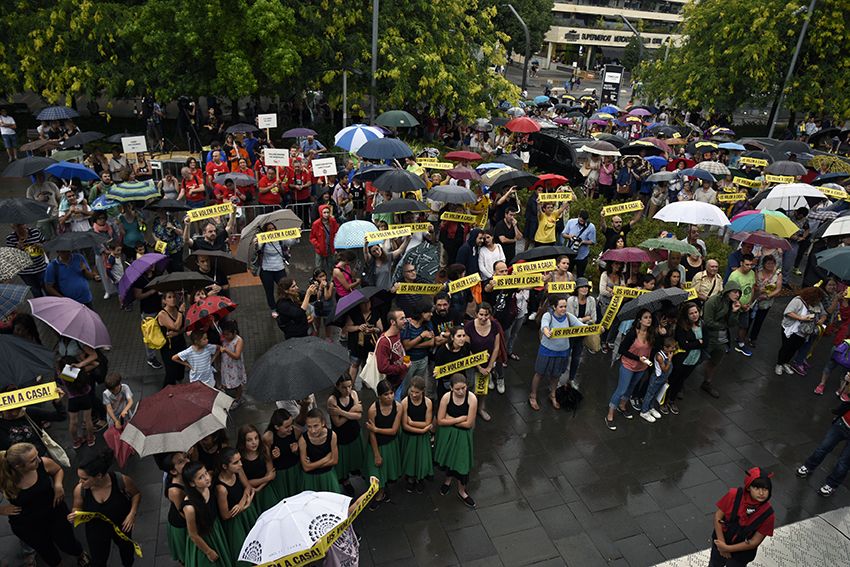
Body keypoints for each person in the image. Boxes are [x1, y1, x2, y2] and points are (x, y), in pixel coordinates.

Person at [0, 443, 90, 567]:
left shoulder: (43, 463)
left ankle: (80, 554)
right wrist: (2, 510)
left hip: (54, 512)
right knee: (45, 550)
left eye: (37, 455)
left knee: (67, 542)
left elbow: (57, 470)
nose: (38, 460)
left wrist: (58, 484)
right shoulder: (4, 478)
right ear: (18, 466)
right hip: (28, 523)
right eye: (32, 460)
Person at [67, 449, 141, 567]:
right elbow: (76, 507)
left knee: (127, 553)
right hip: (96, 531)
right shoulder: (80, 490)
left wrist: (132, 514)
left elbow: (136, 494)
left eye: (84, 479)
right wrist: (75, 514)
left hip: (122, 525)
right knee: (98, 561)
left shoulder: (121, 480)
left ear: (99, 476)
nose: (80, 482)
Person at [709, 467, 775, 566]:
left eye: (765, 489)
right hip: (721, 541)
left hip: (741, 553)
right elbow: (718, 516)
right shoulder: (733, 495)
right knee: (714, 564)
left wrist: (727, 549)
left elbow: (754, 542)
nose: (761, 493)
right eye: (756, 488)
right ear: (748, 487)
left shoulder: (768, 514)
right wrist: (722, 544)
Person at [531, 296, 584, 411]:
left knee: (556, 375)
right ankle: (533, 396)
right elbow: (544, 325)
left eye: (565, 306)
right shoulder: (548, 316)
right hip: (547, 351)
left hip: (562, 352)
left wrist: (596, 329)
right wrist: (546, 331)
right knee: (539, 373)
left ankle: (553, 395)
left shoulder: (569, 317)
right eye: (561, 307)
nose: (564, 309)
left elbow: (581, 326)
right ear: (554, 307)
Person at [605, 309, 655, 430]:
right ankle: (610, 414)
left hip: (641, 367)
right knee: (621, 389)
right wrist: (638, 358)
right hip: (628, 365)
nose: (649, 320)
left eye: (650, 317)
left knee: (631, 388)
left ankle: (622, 406)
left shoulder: (652, 333)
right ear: (639, 320)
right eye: (645, 317)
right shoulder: (633, 333)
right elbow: (622, 350)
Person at [434, 374, 478, 508]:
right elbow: (440, 421)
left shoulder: (472, 398)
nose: (460, 392)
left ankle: (462, 491)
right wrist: (460, 419)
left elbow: (469, 424)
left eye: (463, 388)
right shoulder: (446, 397)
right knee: (449, 459)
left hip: (463, 436)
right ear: (451, 388)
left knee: (462, 463)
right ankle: (447, 481)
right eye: (457, 389)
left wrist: (450, 420)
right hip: (447, 434)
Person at [181, 461, 234, 567]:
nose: (206, 478)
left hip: (216, 530)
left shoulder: (208, 488)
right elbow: (193, 534)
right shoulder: (189, 507)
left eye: (205, 473)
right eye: (200, 477)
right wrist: (208, 552)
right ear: (192, 483)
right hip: (203, 539)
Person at [796, 397, 850, 497]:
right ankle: (809, 466)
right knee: (823, 447)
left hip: (843, 423)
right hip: (843, 423)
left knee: (844, 462)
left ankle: (831, 484)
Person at [215, 448, 258, 565]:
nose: (241, 464)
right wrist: (243, 506)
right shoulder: (221, 489)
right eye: (235, 462)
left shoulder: (238, 470)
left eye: (240, 460)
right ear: (225, 466)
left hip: (247, 511)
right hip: (236, 522)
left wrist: (242, 503)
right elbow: (225, 515)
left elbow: (248, 487)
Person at [701, 280, 742, 397]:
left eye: (739, 293)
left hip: (722, 338)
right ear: (728, 291)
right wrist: (723, 326)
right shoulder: (713, 301)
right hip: (709, 336)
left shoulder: (733, 303)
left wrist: (734, 312)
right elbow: (708, 321)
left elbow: (733, 323)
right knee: (697, 359)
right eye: (735, 292)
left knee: (715, 361)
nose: (737, 295)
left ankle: (707, 382)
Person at [366, 379, 402, 509]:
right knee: (376, 472)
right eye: (386, 394)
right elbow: (371, 434)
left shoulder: (398, 406)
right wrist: (376, 454)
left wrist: (376, 429)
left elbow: (393, 431)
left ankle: (383, 492)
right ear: (379, 396)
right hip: (377, 444)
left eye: (391, 393)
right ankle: (380, 494)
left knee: (387, 471)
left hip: (391, 444)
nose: (390, 396)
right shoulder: (372, 410)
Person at [463, 303, 502, 421]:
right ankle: (469, 410)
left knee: (483, 388)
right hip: (472, 363)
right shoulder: (469, 326)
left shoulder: (495, 325)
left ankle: (481, 408)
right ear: (476, 314)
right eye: (481, 314)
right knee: (470, 386)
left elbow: (496, 347)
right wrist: (479, 367)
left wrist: (490, 366)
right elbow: (467, 349)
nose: (483, 318)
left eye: (486, 315)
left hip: (487, 364)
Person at [665, 302, 704, 415]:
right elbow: (683, 344)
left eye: (696, 312)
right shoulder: (681, 327)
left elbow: (705, 342)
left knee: (681, 381)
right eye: (691, 313)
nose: (694, 315)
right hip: (681, 359)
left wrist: (693, 343)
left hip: (693, 359)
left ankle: (672, 401)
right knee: (672, 379)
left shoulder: (702, 324)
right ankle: (664, 401)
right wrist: (698, 342)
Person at [776, 287, 825, 376]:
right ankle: (779, 364)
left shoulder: (817, 304)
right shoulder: (798, 301)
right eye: (817, 299)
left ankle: (785, 363)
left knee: (794, 348)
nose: (818, 301)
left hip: (803, 332)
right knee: (786, 347)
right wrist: (801, 318)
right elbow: (788, 312)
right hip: (791, 328)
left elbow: (823, 314)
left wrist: (822, 319)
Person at [400, 376, 433, 494]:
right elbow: (404, 425)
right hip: (409, 436)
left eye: (417, 392)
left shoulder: (428, 402)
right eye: (412, 391)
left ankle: (419, 478)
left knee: (421, 458)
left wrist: (412, 422)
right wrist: (423, 430)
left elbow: (428, 422)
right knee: (410, 458)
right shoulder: (405, 402)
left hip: (419, 436)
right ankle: (410, 478)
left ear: (423, 391)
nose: (413, 395)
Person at [262, 409, 304, 500]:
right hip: (280, 474)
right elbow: (266, 460)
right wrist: (273, 456)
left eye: (291, 424)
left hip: (295, 471)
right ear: (277, 427)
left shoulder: (297, 432)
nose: (291, 428)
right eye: (287, 427)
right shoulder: (268, 437)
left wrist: (297, 451)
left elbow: (303, 454)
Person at [298, 408, 341, 493]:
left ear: (323, 423)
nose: (312, 431)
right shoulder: (303, 439)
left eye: (316, 426)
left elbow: (334, 461)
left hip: (327, 475)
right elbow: (306, 468)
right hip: (310, 478)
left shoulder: (332, 435)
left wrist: (312, 465)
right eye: (309, 427)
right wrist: (326, 459)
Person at [236, 425, 276, 513]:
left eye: (256, 438)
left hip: (266, 488)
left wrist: (259, 488)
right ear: (243, 442)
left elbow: (271, 472)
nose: (254, 442)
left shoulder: (263, 449)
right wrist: (266, 478)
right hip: (251, 493)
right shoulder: (240, 457)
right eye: (249, 440)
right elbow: (247, 482)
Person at [158, 452, 189, 565]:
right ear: (173, 471)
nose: (187, 461)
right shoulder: (175, 491)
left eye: (186, 458)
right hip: (181, 524)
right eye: (181, 462)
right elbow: (183, 513)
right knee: (187, 555)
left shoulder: (186, 476)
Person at [565, 278, 596, 389]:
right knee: (564, 356)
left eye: (586, 287)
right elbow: (570, 319)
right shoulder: (571, 300)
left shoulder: (592, 300)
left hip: (582, 335)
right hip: (570, 334)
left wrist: (581, 320)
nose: (585, 289)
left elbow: (594, 318)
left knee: (576, 358)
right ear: (577, 289)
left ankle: (571, 379)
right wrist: (585, 319)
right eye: (582, 286)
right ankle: (558, 377)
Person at [748, 255, 782, 347]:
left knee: (759, 320)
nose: (770, 265)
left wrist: (767, 296)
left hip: (766, 301)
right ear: (764, 264)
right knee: (749, 318)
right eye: (768, 263)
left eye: (772, 263)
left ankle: (753, 338)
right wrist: (759, 288)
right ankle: (743, 334)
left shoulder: (777, 274)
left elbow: (778, 289)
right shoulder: (758, 272)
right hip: (755, 298)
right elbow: (754, 284)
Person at [640, 337, 676, 423]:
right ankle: (644, 411)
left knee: (656, 394)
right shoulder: (660, 356)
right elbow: (665, 369)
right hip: (657, 379)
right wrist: (670, 360)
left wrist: (666, 378)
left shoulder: (668, 354)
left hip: (663, 379)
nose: (674, 349)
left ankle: (651, 408)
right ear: (665, 347)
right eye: (672, 347)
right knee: (650, 394)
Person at [6, 224, 48, 297]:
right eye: (18, 226)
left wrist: (41, 246)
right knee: (36, 292)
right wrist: (18, 248)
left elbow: (45, 243)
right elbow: (11, 257)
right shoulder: (10, 238)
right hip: (26, 272)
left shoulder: (35, 232)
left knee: (48, 288)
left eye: (23, 224)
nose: (22, 227)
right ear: (13, 227)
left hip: (41, 267)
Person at [727, 253, 757, 357]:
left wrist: (750, 301)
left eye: (751, 265)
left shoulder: (752, 273)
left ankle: (741, 343)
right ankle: (725, 343)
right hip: (735, 305)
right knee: (728, 324)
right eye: (747, 264)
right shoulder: (734, 276)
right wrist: (739, 304)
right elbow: (730, 293)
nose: (749, 267)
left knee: (744, 325)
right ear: (741, 263)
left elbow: (752, 287)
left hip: (746, 306)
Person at [376, 309, 410, 397]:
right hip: (391, 387)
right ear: (393, 322)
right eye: (402, 319)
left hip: (400, 380)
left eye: (405, 318)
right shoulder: (384, 343)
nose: (405, 321)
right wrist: (403, 367)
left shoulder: (398, 334)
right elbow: (383, 368)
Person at [157, 291, 188, 387]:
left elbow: (184, 327)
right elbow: (176, 326)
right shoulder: (162, 314)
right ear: (164, 301)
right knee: (171, 372)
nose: (173, 299)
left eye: (174, 296)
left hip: (180, 343)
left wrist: (178, 333)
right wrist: (180, 312)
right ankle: (166, 391)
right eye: (169, 297)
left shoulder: (177, 309)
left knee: (180, 369)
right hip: (169, 348)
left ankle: (179, 387)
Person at [219, 321, 247, 408]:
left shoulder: (239, 340)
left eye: (228, 334)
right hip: (226, 365)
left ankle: (238, 398)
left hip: (235, 366)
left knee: (237, 383)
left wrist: (226, 350)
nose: (226, 336)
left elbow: (237, 356)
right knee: (228, 380)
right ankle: (231, 395)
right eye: (224, 334)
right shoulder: (224, 338)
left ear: (234, 332)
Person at [562, 210, 596, 277]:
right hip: (570, 253)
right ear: (578, 217)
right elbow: (563, 234)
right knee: (567, 274)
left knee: (580, 275)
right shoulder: (571, 222)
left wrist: (583, 242)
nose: (582, 222)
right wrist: (570, 236)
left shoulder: (591, 227)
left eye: (584, 221)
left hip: (582, 255)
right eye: (581, 221)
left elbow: (592, 241)